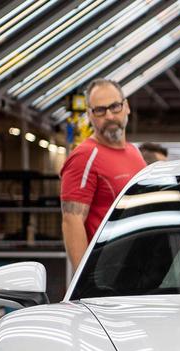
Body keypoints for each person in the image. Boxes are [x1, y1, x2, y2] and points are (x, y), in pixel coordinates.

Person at [59, 78, 147, 268]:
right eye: (100, 110)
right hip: (108, 275)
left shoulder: (135, 153)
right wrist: (84, 282)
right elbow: (71, 220)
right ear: (89, 115)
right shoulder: (84, 156)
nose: (109, 116)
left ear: (127, 107)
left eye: (115, 106)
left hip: (139, 269)